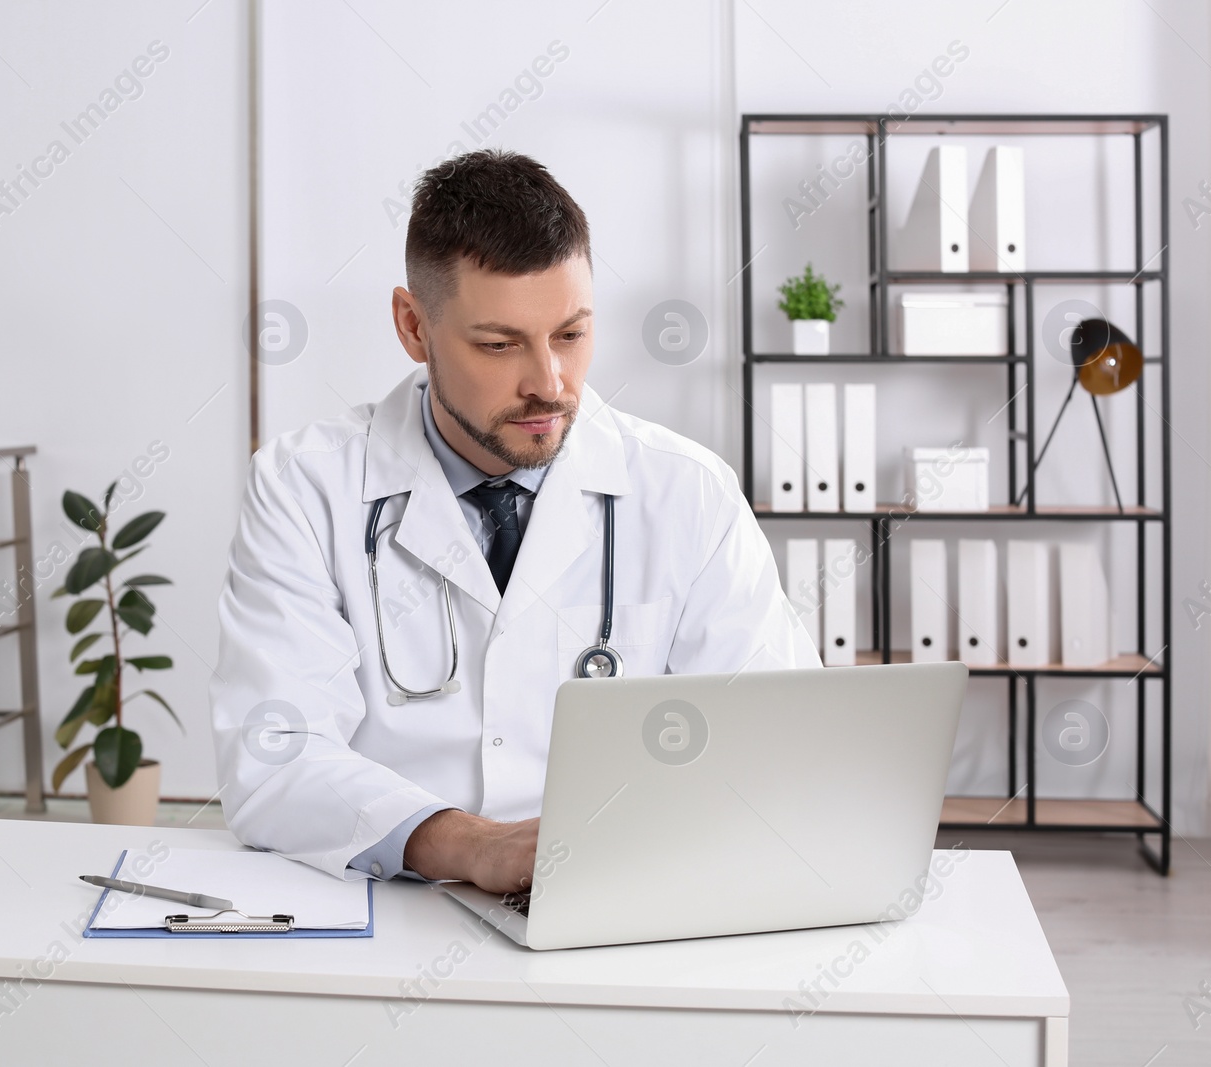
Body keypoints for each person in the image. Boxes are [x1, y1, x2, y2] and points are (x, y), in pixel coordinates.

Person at [210, 149, 819, 894]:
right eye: (499, 345)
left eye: (571, 334)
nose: (548, 384)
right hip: (386, 901)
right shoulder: (305, 487)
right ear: (413, 326)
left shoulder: (687, 493)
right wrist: (466, 844)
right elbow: (274, 751)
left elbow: (776, 740)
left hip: (619, 900)